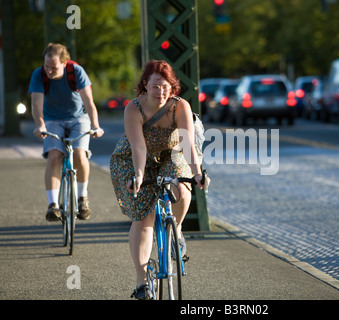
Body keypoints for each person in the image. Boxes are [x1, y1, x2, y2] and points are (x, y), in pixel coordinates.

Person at [110, 59, 210, 300]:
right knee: (143, 217)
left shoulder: (180, 106)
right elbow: (138, 148)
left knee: (182, 190)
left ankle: (176, 228)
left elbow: (187, 144)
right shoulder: (133, 109)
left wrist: (197, 172)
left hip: (169, 154)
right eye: (156, 86)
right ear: (145, 85)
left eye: (166, 86)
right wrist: (139, 176)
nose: (161, 92)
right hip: (132, 159)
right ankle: (142, 281)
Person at [29, 43, 104, 221]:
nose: (49, 71)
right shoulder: (39, 75)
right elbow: (36, 105)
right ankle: (53, 204)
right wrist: (40, 126)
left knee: (79, 153)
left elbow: (89, 102)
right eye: (46, 66)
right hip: (52, 119)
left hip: (79, 118)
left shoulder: (76, 71)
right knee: (54, 155)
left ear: (64, 63)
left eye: (53, 67)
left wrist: (95, 125)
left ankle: (82, 197)